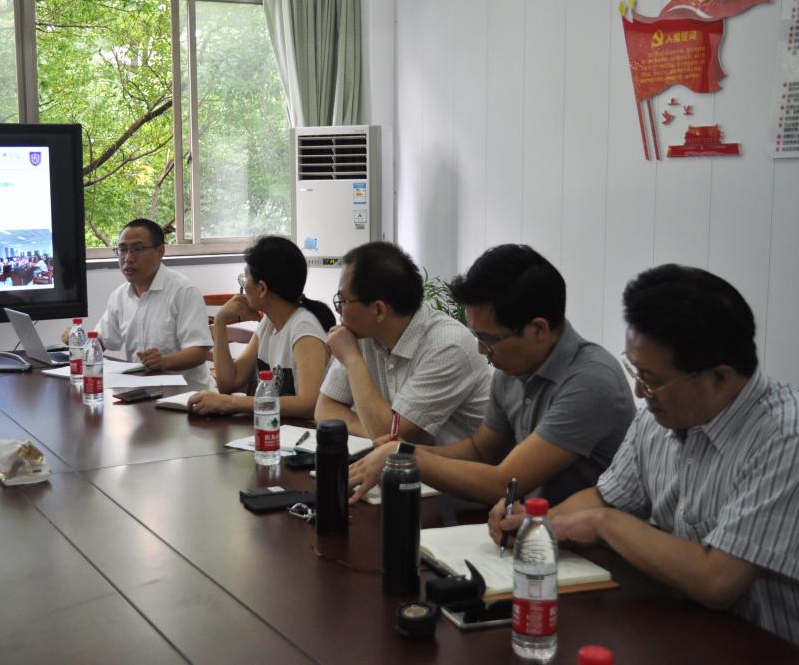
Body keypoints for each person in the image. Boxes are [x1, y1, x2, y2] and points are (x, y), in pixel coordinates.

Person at [489, 264, 799, 645]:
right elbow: (606, 496)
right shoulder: (661, 415)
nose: (638, 392)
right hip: (683, 628)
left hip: (765, 646)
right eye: (635, 371)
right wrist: (536, 524)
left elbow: (717, 580)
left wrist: (604, 523)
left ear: (720, 377)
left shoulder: (783, 438)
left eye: (652, 381)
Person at [349, 244, 634, 506]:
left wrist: (406, 458)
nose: (481, 350)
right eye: (477, 336)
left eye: (489, 339)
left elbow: (504, 483)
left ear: (538, 329)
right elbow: (481, 450)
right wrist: (401, 451)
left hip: (583, 540)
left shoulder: (590, 381)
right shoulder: (512, 368)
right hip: (527, 524)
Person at [314, 241, 491, 445]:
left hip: (455, 464)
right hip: (400, 459)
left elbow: (386, 432)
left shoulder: (448, 345)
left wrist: (353, 360)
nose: (338, 310)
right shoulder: (362, 332)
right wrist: (374, 430)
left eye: (343, 301)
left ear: (379, 310)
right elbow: (325, 410)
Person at [186, 236, 334, 418]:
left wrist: (232, 403)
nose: (243, 286)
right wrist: (220, 323)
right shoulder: (269, 323)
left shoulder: (304, 330)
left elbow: (309, 404)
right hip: (270, 426)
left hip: (300, 432)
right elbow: (229, 382)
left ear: (262, 288)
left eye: (245, 278)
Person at [65, 218, 212, 385]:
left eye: (137, 249)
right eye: (122, 250)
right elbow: (101, 342)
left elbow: (198, 351)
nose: (128, 258)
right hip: (141, 389)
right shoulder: (119, 296)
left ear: (160, 251)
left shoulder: (183, 291)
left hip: (186, 391)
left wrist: (164, 362)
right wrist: (79, 341)